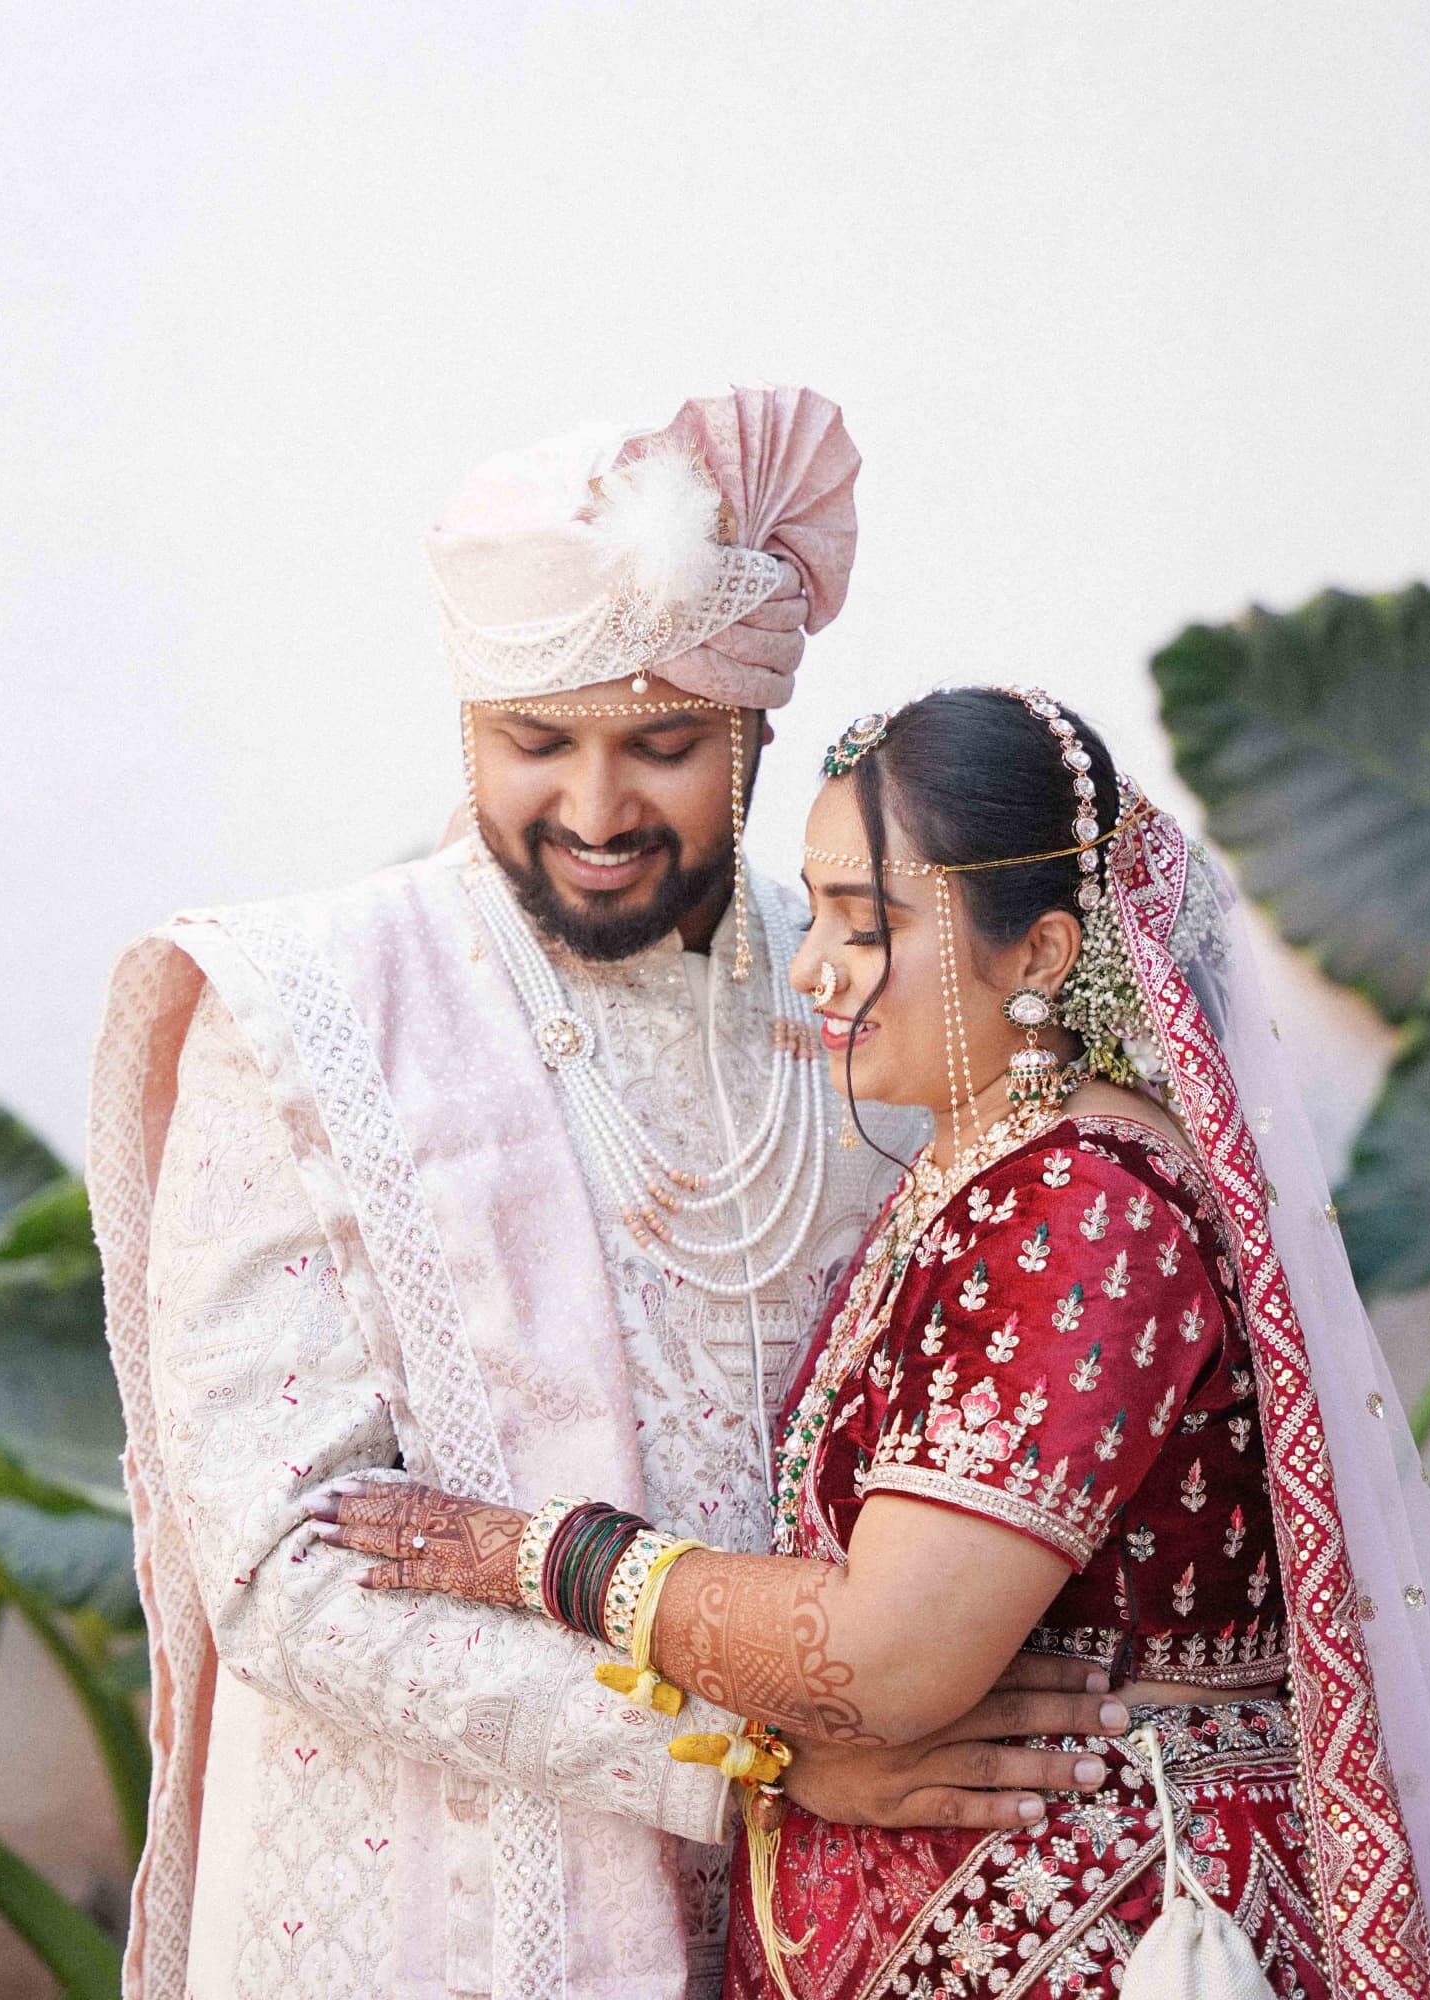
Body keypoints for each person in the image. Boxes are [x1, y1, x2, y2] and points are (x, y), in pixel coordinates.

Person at [87, 391, 1131, 2000]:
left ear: (755, 732)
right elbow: (284, 1568)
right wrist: (747, 1759)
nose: (593, 812)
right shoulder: (309, 1009)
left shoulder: (877, 982)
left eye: (660, 747)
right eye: (536, 743)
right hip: (443, 1902)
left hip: (850, 1888)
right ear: (468, 725)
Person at [315, 687, 1430, 2000]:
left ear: (1039, 955)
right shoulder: (975, 1171)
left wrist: (533, 1556)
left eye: (866, 926)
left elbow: (887, 1656)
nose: (812, 968)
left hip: (1104, 1934)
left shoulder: (1082, 1212)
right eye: (816, 915)